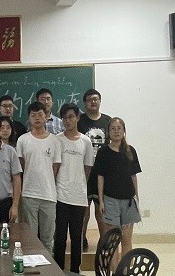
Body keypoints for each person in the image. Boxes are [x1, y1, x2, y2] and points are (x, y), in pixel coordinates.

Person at [95, 117, 142, 268]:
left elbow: (133, 175)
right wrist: (101, 200)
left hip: (128, 202)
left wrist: (136, 195)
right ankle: (114, 271)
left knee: (126, 240)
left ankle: (126, 270)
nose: (116, 131)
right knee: (113, 240)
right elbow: (100, 177)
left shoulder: (130, 151)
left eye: (119, 128)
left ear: (124, 131)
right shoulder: (103, 152)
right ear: (108, 132)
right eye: (113, 129)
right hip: (110, 201)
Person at [53, 103, 93, 274]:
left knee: (77, 237)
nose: (67, 121)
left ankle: (75, 271)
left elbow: (87, 168)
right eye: (64, 118)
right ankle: (59, 270)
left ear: (77, 117)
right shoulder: (57, 139)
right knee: (60, 237)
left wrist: (78, 183)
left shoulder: (86, 141)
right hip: (60, 195)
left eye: (70, 117)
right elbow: (55, 167)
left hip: (78, 196)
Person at [16, 101, 61, 252]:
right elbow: (21, 167)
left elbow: (55, 168)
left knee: (47, 240)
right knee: (30, 239)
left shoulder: (55, 140)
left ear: (46, 116)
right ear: (29, 118)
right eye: (33, 115)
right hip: (29, 195)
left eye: (40, 114)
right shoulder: (23, 140)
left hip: (49, 195)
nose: (36, 118)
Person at [78, 88, 112, 250]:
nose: (93, 102)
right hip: (84, 172)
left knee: (101, 209)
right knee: (83, 210)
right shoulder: (79, 121)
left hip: (103, 173)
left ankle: (104, 241)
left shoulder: (108, 121)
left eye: (96, 99)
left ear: (100, 101)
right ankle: (81, 239)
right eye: (90, 99)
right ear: (85, 103)